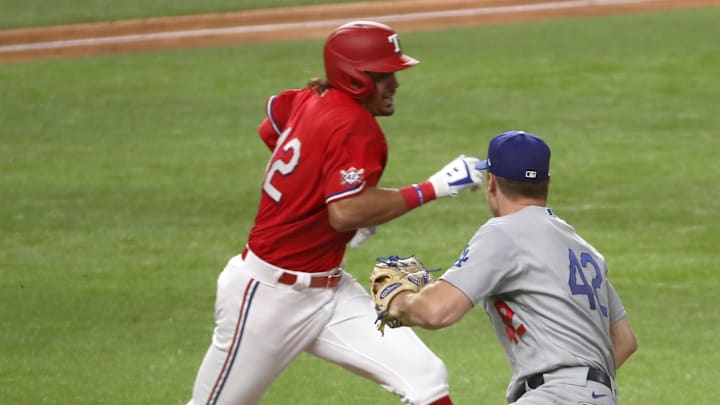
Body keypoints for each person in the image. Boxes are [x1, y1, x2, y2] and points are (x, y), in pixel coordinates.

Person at [186, 20, 484, 405]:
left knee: (425, 378)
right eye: (384, 75)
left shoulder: (310, 96)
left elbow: (272, 126)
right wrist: (435, 188)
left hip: (330, 292)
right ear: (356, 78)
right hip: (268, 298)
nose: (394, 83)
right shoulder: (355, 126)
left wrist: (317, 201)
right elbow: (344, 212)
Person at [383, 130, 638, 404]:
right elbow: (624, 341)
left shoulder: (503, 234)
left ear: (491, 182)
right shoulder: (583, 249)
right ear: (547, 183)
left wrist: (397, 302)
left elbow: (436, 311)